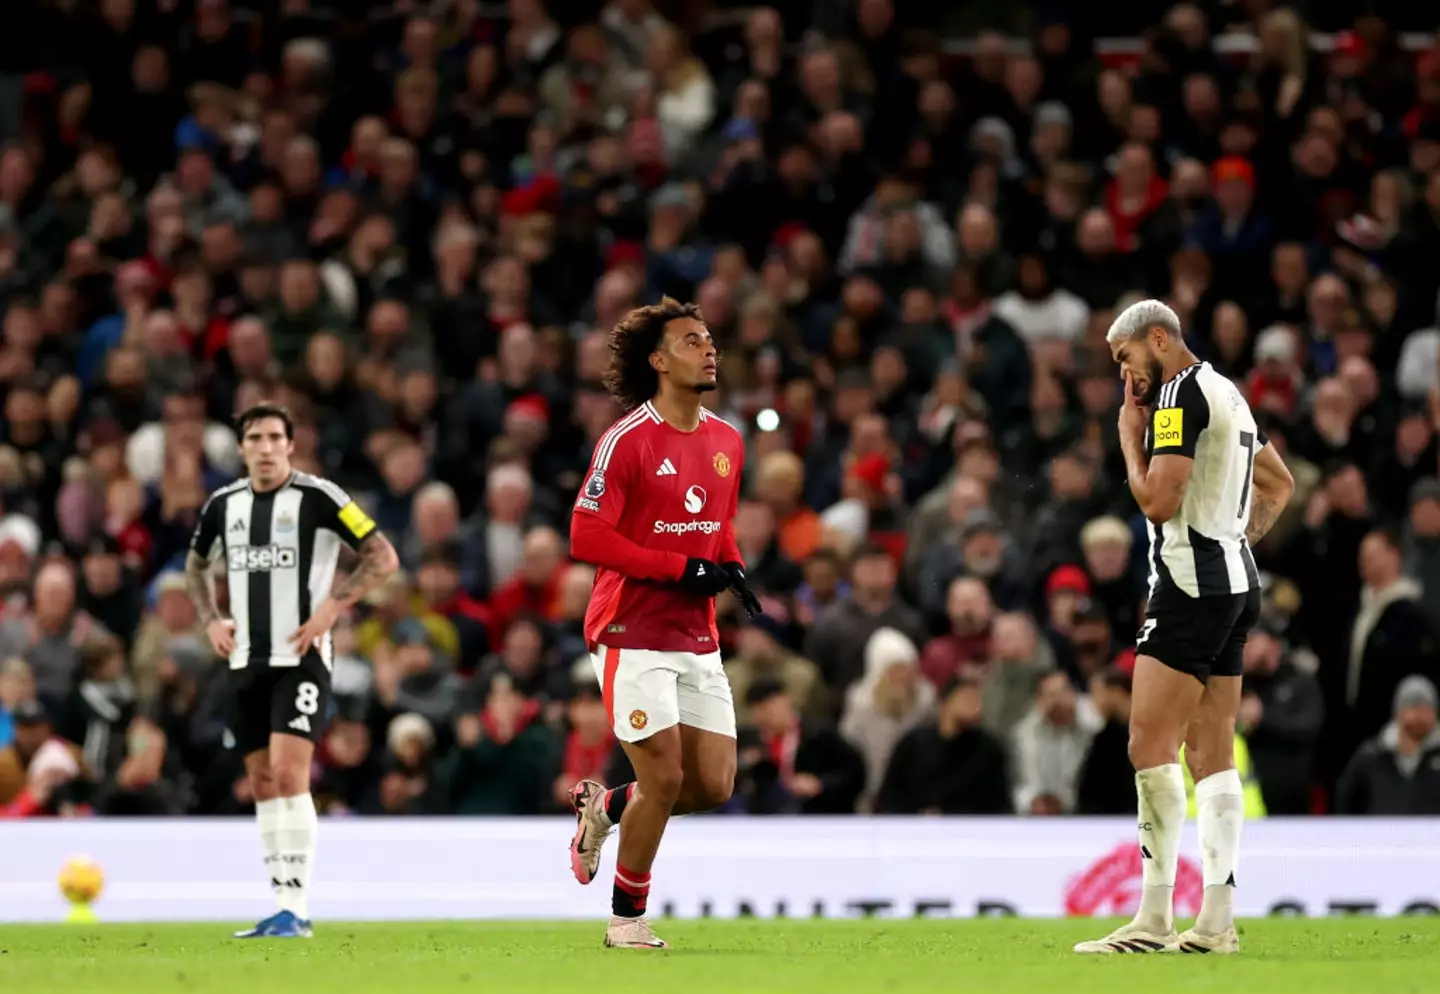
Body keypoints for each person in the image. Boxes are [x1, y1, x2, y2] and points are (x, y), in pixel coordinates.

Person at [1075, 300, 1294, 956]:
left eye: (1126, 359)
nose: (1126, 379)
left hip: (1187, 587)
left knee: (1150, 747)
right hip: (1235, 583)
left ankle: (1153, 920)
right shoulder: (1229, 393)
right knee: (1213, 756)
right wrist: (1233, 540)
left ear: (1159, 340)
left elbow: (1157, 500)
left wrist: (1125, 434)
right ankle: (1216, 923)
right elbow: (1278, 485)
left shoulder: (1173, 395)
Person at [562, 298, 760, 950]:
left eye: (710, 339)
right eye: (691, 340)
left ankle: (605, 809)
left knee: (713, 785)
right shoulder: (627, 440)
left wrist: (731, 567)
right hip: (629, 629)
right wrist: (677, 569)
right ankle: (626, 921)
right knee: (666, 779)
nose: (709, 349)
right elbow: (586, 534)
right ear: (657, 360)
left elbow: (719, 525)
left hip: (694, 632)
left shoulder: (728, 440)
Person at [184, 403, 399, 939]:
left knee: (287, 772)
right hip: (244, 661)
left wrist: (332, 607)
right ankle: (280, 901)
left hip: (300, 659)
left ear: (290, 444)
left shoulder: (320, 497)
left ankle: (297, 908)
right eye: (254, 437)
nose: (264, 446)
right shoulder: (223, 504)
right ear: (241, 448)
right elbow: (194, 564)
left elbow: (382, 555)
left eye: (274, 437)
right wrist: (211, 619)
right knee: (259, 780)